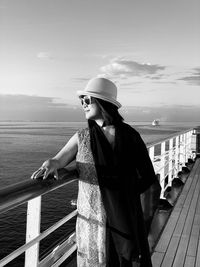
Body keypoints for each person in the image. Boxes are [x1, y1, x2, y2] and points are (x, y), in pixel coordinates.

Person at [31, 77, 160, 267]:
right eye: (81, 99)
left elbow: (147, 178)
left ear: (103, 102)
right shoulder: (82, 137)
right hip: (91, 218)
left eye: (87, 99)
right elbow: (60, 159)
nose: (83, 103)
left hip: (121, 217)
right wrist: (51, 163)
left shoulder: (130, 137)